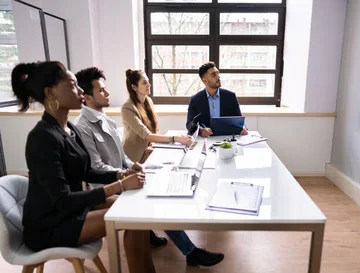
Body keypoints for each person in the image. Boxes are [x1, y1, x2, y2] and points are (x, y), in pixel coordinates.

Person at [13, 61, 154, 273]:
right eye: (72, 85)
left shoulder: (69, 128)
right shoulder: (42, 138)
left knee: (138, 212)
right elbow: (63, 200)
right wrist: (120, 185)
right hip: (50, 225)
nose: (80, 91)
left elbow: (87, 171)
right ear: (50, 94)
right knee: (132, 218)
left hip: (71, 210)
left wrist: (122, 173)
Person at [75, 67, 224, 267]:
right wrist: (125, 174)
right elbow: (96, 168)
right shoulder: (82, 127)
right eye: (101, 90)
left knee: (163, 187)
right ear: (86, 97)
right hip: (104, 189)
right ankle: (190, 252)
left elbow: (121, 158)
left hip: (124, 178)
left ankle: (183, 247)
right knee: (154, 203)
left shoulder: (107, 121)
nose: (108, 93)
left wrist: (133, 166)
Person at [121, 69, 193, 163]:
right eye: (144, 83)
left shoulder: (148, 101)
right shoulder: (127, 108)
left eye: (148, 81)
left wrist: (152, 145)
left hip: (149, 150)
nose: (149, 85)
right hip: (134, 157)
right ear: (134, 87)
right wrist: (176, 138)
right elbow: (146, 134)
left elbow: (154, 130)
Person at [186, 61, 248, 137]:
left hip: (227, 139)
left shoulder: (231, 96)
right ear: (204, 80)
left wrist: (243, 128)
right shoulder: (195, 99)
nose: (218, 77)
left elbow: (239, 121)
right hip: (206, 139)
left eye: (218, 73)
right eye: (213, 75)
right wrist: (200, 131)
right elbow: (189, 124)